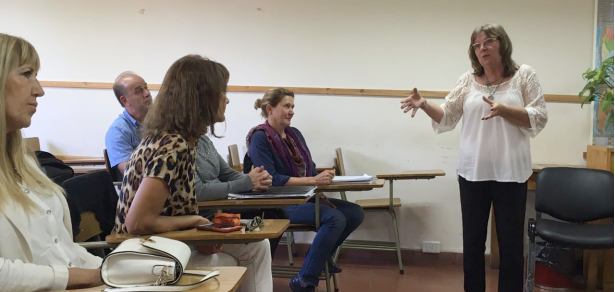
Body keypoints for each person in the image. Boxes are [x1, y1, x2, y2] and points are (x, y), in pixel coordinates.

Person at [400, 24, 548, 292]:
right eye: (477, 45)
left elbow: (538, 117)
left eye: (488, 42)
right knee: (473, 243)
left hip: (511, 173)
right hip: (472, 172)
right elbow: (447, 116)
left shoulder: (524, 75)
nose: (482, 48)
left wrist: (504, 110)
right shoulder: (467, 80)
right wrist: (424, 105)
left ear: (502, 43)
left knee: (511, 244)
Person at [112, 55, 272, 292]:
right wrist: (196, 223)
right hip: (143, 253)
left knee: (257, 246)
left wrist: (198, 234)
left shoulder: (185, 140)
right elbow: (137, 222)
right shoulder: (171, 144)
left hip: (165, 242)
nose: (226, 100)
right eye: (221, 93)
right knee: (231, 261)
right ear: (201, 98)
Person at [0, 33, 103, 291]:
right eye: (26, 74)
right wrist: (81, 277)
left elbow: (62, 250)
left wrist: (113, 268)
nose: (40, 90)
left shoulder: (24, 162)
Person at [247, 88, 365, 292]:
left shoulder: (294, 134)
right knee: (334, 218)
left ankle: (319, 259)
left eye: (293, 106)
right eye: (286, 106)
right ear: (270, 109)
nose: (292, 111)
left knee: (355, 213)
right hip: (278, 203)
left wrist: (324, 175)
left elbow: (309, 167)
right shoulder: (260, 137)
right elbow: (271, 179)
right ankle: (305, 280)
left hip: (304, 197)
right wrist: (313, 179)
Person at [104, 71, 152, 179]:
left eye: (146, 87)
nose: (147, 93)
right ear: (125, 100)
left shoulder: (161, 120)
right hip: (138, 192)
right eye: (138, 91)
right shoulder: (117, 131)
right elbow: (130, 172)